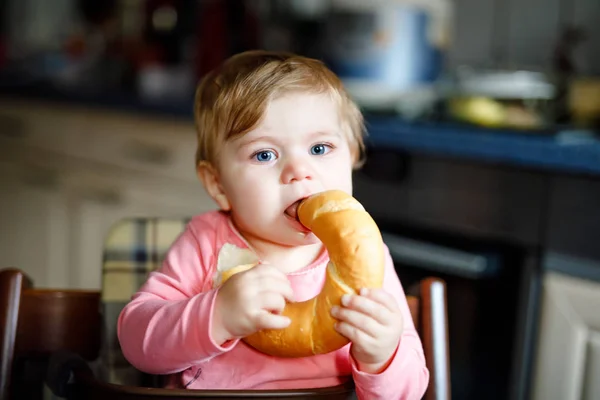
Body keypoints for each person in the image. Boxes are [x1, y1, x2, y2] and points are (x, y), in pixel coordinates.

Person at [117, 50, 429, 399]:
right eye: (264, 155)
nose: (299, 171)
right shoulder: (206, 242)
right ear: (219, 185)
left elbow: (410, 392)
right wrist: (217, 314)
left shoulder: (366, 256)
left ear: (352, 155)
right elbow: (136, 342)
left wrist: (382, 356)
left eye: (320, 148)